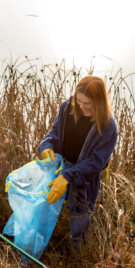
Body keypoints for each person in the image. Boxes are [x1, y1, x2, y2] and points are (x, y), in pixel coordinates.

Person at [37, 75, 119, 250]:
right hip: (57, 169)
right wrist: (47, 145)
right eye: (78, 100)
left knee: (80, 226)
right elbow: (54, 132)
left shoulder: (108, 126)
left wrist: (68, 176)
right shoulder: (67, 107)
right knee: (43, 214)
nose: (81, 106)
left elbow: (96, 163)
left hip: (83, 180)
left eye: (87, 103)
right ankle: (38, 251)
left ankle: (79, 262)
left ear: (99, 102)